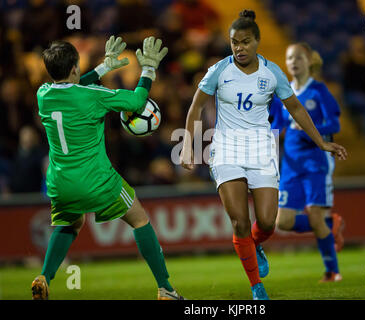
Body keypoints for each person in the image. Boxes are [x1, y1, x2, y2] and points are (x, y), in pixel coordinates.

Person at [180, 10, 347, 300]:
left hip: (260, 150)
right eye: (234, 42)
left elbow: (295, 108)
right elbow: (196, 106)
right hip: (226, 149)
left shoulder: (272, 73)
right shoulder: (219, 70)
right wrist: (187, 144)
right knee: (239, 221)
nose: (239, 48)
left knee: (269, 222)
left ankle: (254, 244)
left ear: (257, 41)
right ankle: (257, 287)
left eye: (245, 42)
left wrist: (321, 142)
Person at [31, 36, 184, 300]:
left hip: (60, 182)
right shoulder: (93, 96)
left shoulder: (43, 94)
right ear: (75, 68)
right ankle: (166, 289)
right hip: (96, 180)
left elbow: (71, 89)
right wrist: (148, 69)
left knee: (70, 223)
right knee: (139, 219)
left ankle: (44, 276)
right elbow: (137, 102)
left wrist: (103, 68)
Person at [271, 43, 345, 282]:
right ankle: (330, 223)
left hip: (316, 161)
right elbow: (278, 124)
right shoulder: (284, 93)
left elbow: (334, 125)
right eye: (289, 57)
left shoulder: (318, 91)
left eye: (298, 57)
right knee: (283, 222)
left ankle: (332, 271)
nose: (293, 62)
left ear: (309, 61)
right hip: (291, 164)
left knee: (314, 216)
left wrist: (308, 130)